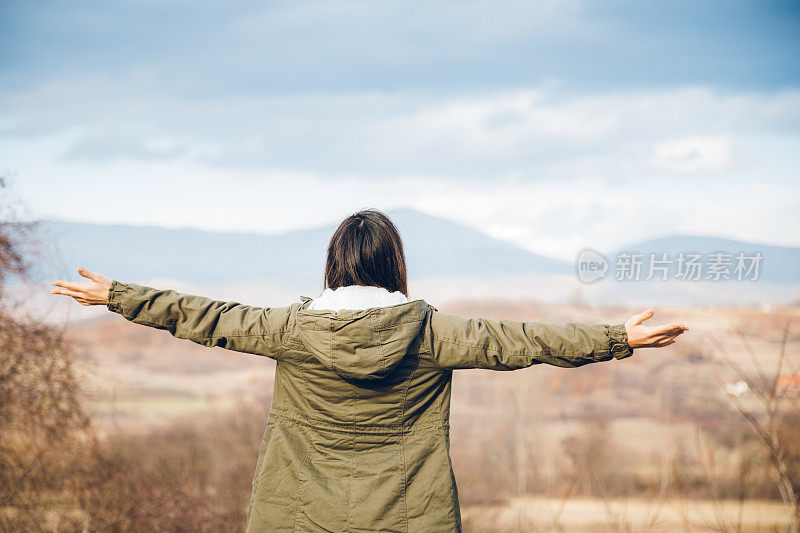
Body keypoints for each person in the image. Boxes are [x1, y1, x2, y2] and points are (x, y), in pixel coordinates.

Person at [52, 209, 687, 532]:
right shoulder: (435, 333)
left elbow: (208, 315)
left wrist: (119, 295)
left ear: (333, 264)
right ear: (396, 266)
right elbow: (522, 341)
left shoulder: (291, 330)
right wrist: (617, 337)